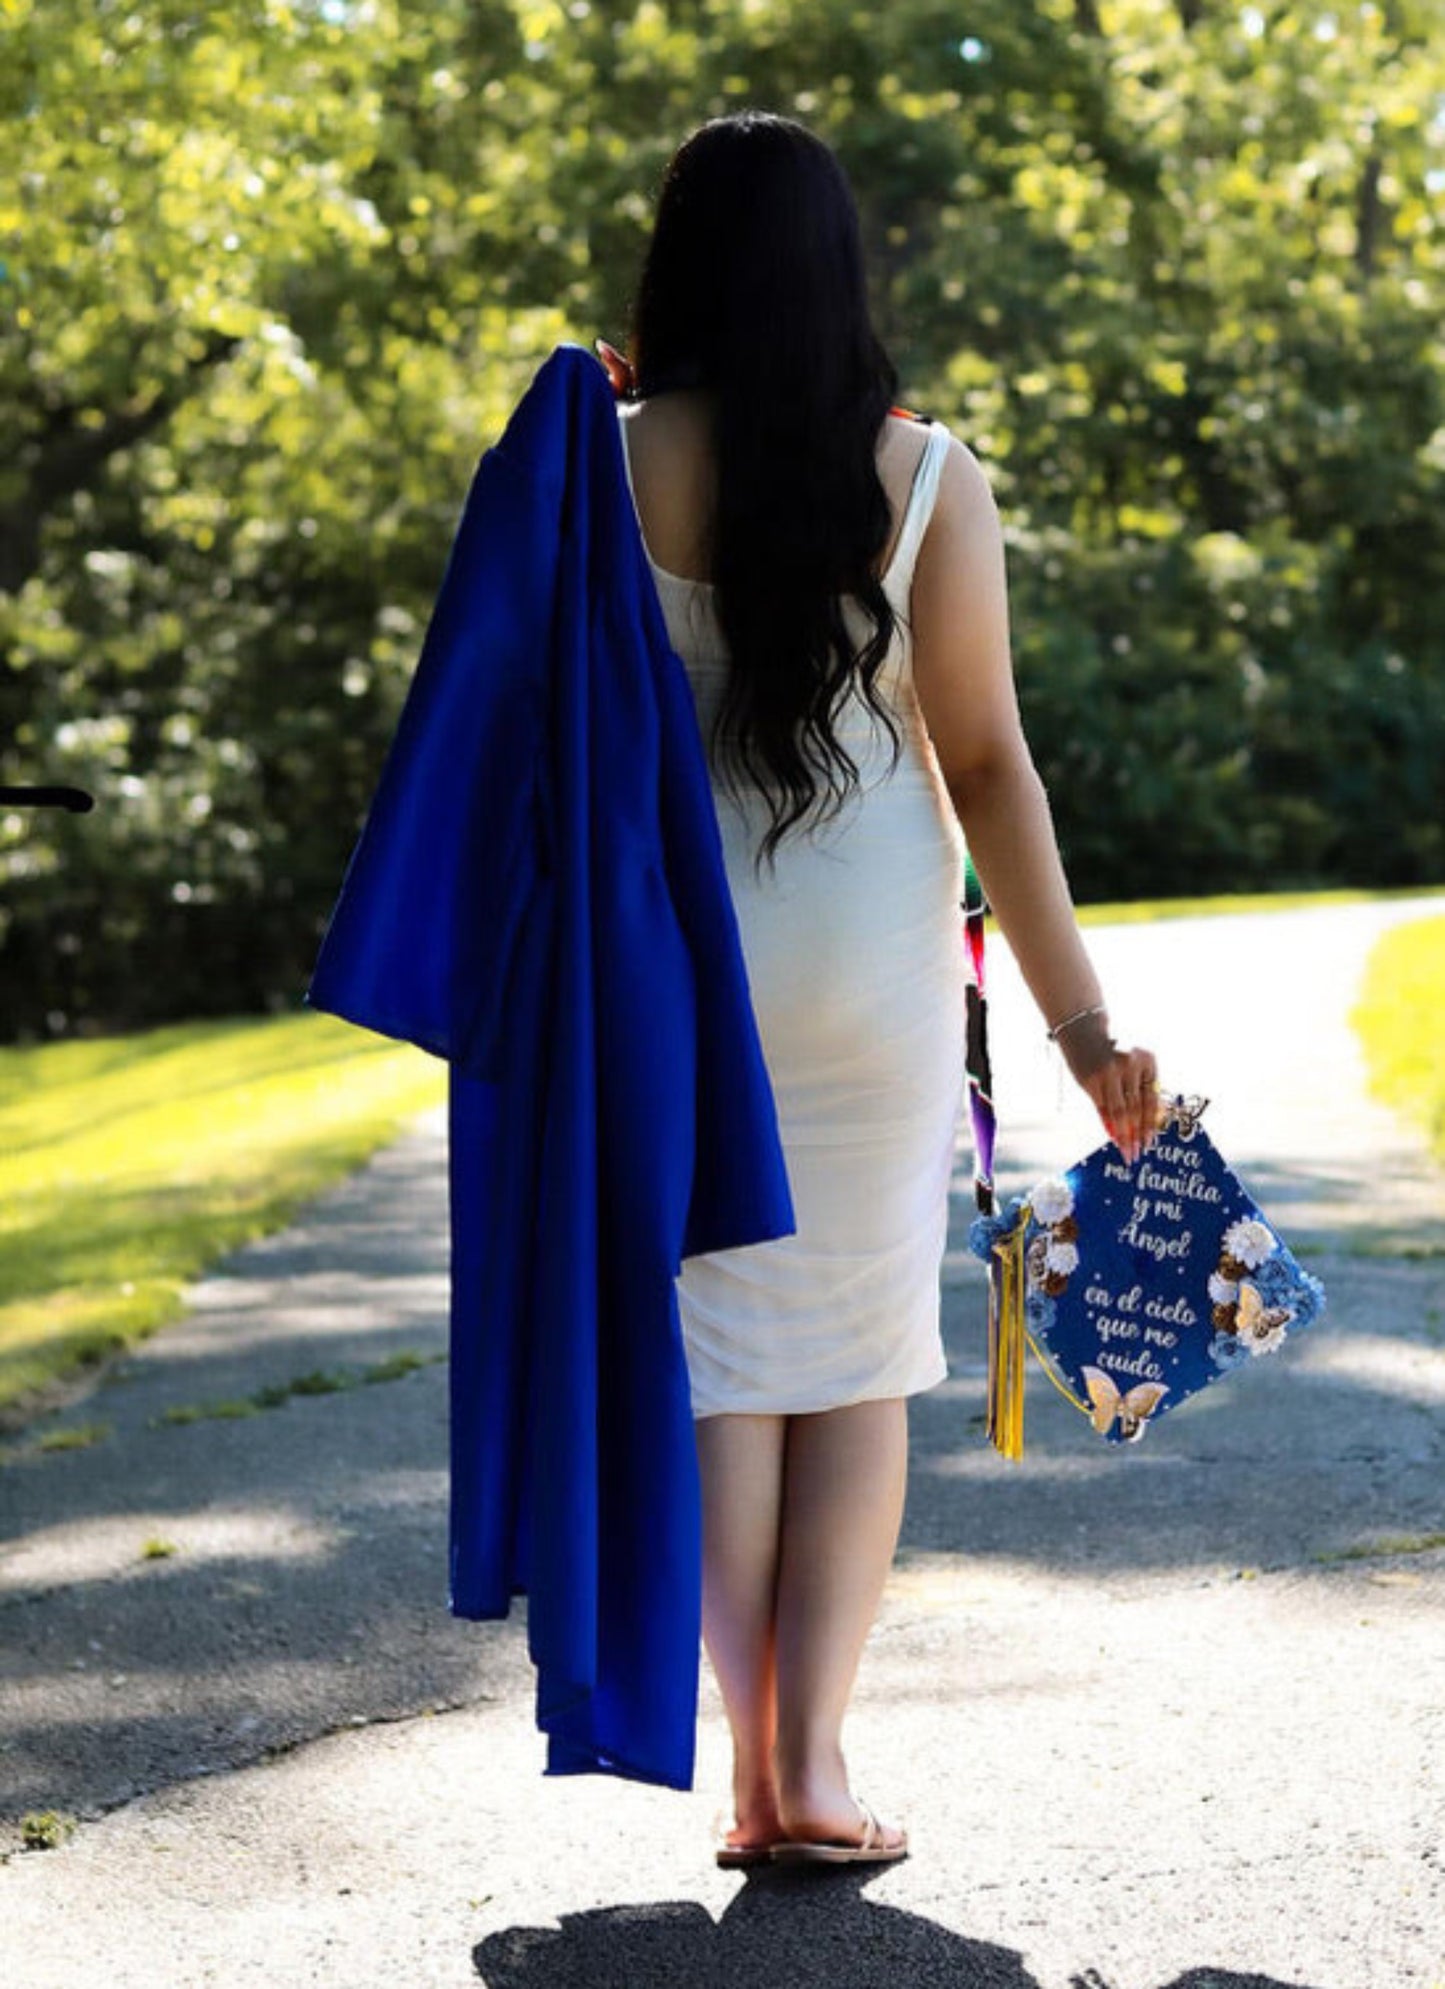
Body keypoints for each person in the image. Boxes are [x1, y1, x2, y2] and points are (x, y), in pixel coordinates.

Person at [607, 112, 1159, 1868]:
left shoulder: (603, 462)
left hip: (676, 969)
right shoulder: (925, 476)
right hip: (870, 965)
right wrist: (1082, 1029)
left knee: (715, 1367)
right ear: (845, 268)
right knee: (849, 1369)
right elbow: (989, 764)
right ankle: (815, 1768)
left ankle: (743, 1768)